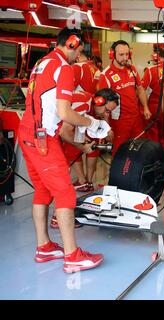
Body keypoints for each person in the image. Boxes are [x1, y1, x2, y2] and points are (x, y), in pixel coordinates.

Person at [18, 27, 104, 273]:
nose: (82, 54)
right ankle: (72, 255)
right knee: (65, 193)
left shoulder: (41, 63)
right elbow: (65, 113)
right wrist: (93, 123)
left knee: (43, 191)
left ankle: (43, 246)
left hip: (28, 134)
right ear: (72, 43)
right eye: (81, 48)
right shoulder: (64, 68)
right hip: (42, 139)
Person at [51, 88, 118, 229]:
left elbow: (76, 128)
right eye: (106, 110)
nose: (107, 115)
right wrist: (82, 147)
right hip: (47, 136)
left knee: (61, 177)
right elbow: (64, 131)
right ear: (99, 102)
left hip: (51, 133)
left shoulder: (87, 103)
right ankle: (58, 218)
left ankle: (60, 216)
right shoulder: (83, 105)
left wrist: (84, 142)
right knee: (62, 177)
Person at [97, 40, 151, 155]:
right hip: (119, 122)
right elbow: (102, 107)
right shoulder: (106, 75)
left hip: (136, 119)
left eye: (127, 54)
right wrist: (107, 128)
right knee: (119, 155)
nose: (125, 57)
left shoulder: (132, 69)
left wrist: (145, 107)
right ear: (112, 55)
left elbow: (140, 89)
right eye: (121, 55)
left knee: (139, 151)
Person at [141, 47, 164, 144]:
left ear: (156, 57)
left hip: (154, 108)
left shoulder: (151, 70)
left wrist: (145, 107)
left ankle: (154, 156)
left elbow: (141, 89)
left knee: (152, 136)